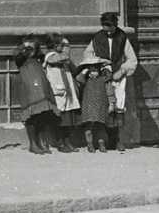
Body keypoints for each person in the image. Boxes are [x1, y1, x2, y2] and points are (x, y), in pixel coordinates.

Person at [82, 11, 139, 150]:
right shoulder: (97, 37)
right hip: (102, 77)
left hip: (118, 75)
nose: (108, 33)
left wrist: (122, 70)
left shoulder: (122, 37)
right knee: (104, 106)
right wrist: (98, 64)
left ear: (115, 25)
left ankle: (118, 140)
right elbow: (88, 54)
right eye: (106, 29)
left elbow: (131, 59)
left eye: (111, 29)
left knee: (118, 106)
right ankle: (103, 141)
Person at [13, 35, 57, 155]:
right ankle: (33, 143)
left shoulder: (39, 59)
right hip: (29, 90)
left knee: (42, 115)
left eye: (32, 49)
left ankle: (41, 141)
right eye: (28, 50)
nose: (30, 52)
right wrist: (24, 45)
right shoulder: (21, 59)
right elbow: (16, 53)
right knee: (31, 116)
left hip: (42, 90)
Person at [43, 33, 81, 152]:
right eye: (61, 45)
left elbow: (73, 69)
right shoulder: (50, 56)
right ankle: (60, 143)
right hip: (58, 93)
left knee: (68, 120)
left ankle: (67, 141)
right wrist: (67, 48)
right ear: (55, 46)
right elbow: (60, 58)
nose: (64, 47)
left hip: (67, 93)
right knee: (59, 120)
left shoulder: (61, 57)